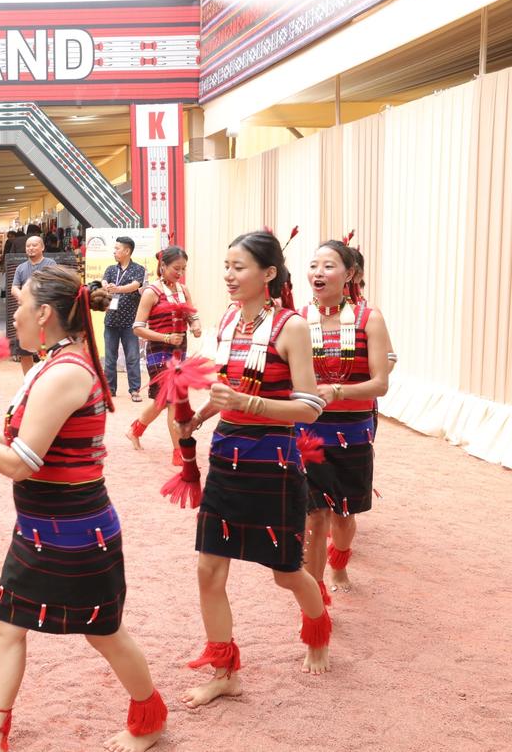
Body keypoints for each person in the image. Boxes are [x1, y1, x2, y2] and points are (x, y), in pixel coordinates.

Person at [0, 266, 167, 752]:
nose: (14, 314)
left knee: (103, 631)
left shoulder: (64, 372)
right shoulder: (51, 363)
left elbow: (20, 463)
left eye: (20, 304)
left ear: (43, 313)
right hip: (44, 525)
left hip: (74, 529)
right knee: (7, 622)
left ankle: (149, 718)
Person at [178, 231, 331, 707]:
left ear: (268, 274)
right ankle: (224, 671)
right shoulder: (227, 320)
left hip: (275, 463)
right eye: (226, 265)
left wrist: (245, 401)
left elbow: (308, 409)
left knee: (285, 572)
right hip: (226, 456)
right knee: (208, 570)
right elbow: (226, 388)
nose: (228, 275)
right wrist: (202, 415)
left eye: (238, 266)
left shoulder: (292, 327)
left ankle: (318, 631)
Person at [299, 241, 391, 600]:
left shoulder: (371, 318)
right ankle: (314, 593)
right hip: (308, 432)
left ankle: (339, 561)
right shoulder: (295, 319)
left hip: (353, 434)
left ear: (349, 274)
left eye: (328, 266)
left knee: (343, 515)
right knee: (315, 516)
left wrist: (337, 391)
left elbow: (380, 383)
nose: (318, 273)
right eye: (313, 265)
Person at [127, 246, 203, 465]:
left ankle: (136, 428)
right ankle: (178, 451)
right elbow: (138, 328)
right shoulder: (151, 292)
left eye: (183, 269)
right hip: (158, 351)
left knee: (163, 400)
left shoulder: (183, 290)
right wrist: (166, 338)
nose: (180, 273)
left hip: (179, 350)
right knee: (173, 401)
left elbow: (193, 315)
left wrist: (196, 325)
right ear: (163, 266)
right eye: (176, 268)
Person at [102, 237, 147, 402]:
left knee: (132, 357)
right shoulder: (110, 269)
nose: (114, 251)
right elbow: (104, 281)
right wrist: (106, 285)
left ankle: (134, 390)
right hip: (111, 321)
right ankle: (109, 389)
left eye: (117, 248)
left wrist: (118, 288)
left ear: (127, 251)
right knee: (110, 357)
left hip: (130, 323)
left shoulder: (138, 269)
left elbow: (135, 285)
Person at [10, 236, 57, 374]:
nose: (30, 248)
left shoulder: (51, 264)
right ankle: (28, 381)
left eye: (34, 245)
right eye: (28, 246)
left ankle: (47, 380)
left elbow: (54, 285)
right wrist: (24, 299)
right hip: (27, 314)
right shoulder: (21, 268)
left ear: (42, 247)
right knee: (24, 351)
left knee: (47, 349)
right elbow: (14, 288)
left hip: (45, 313)